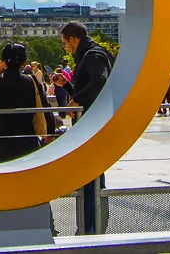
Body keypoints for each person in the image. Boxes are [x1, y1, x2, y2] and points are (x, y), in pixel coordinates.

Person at [62, 21, 111, 234]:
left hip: (92, 124)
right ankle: (90, 226)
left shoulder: (93, 55)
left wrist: (76, 100)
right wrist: (66, 86)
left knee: (90, 180)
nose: (65, 48)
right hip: (94, 122)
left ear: (73, 39)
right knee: (91, 179)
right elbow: (92, 86)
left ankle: (91, 228)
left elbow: (100, 83)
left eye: (65, 43)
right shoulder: (95, 54)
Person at [0, 42, 44, 165]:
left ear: (3, 61)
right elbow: (44, 103)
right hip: (26, 136)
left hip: (1, 137)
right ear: (23, 62)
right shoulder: (31, 81)